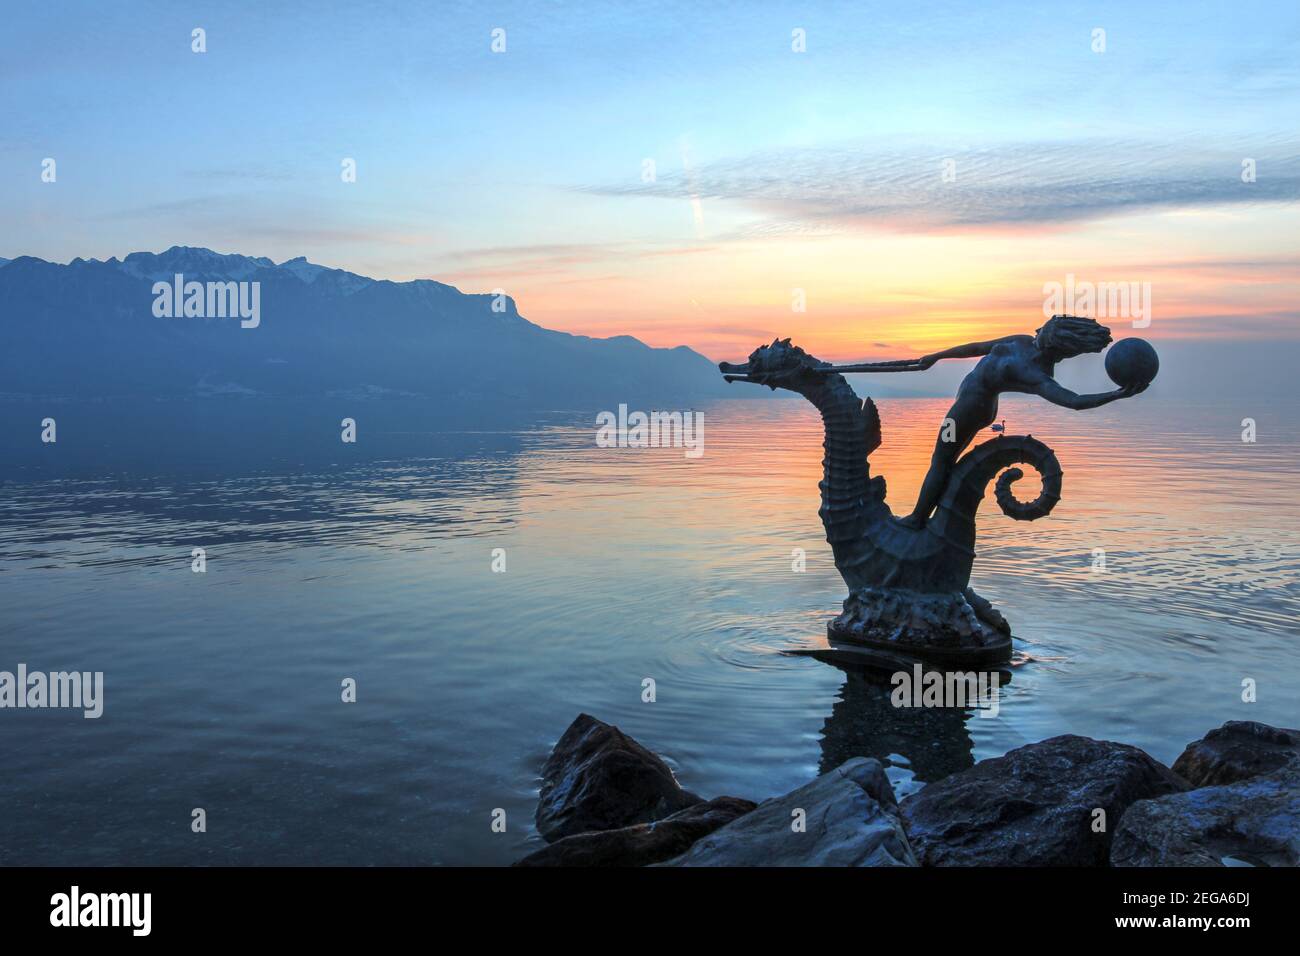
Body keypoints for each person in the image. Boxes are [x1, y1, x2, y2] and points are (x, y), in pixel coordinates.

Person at [835, 315, 1146, 528]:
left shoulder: (1036, 374)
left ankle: (918, 519)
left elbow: (1074, 401)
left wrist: (1117, 395)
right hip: (965, 405)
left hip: (968, 413)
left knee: (940, 460)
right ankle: (928, 515)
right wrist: (937, 355)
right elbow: (977, 347)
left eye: (1048, 330)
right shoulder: (1022, 341)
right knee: (944, 461)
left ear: (1056, 344)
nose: (1040, 330)